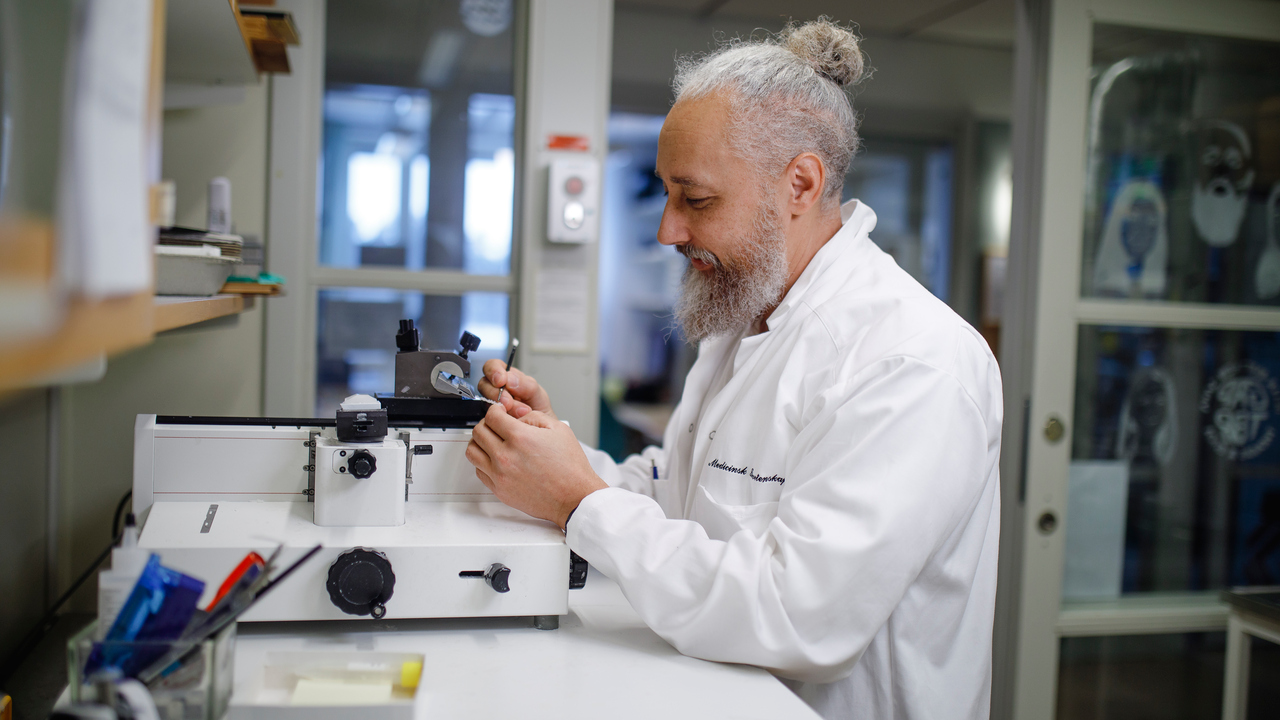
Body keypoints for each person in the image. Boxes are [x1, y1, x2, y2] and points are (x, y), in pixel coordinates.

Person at [464, 19, 1003, 720]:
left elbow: (800, 617)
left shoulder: (913, 360)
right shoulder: (744, 320)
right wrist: (549, 451)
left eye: (697, 199)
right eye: (665, 193)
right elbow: (675, 494)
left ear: (800, 185)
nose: (667, 230)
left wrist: (577, 502)